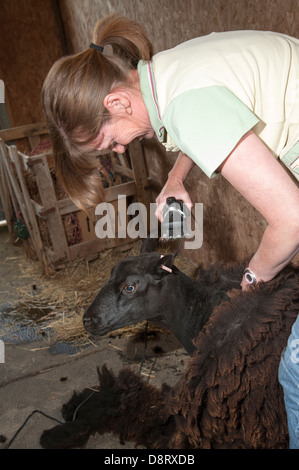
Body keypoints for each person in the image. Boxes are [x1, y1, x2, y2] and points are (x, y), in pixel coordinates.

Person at [42, 14, 299, 447]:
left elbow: (292, 218)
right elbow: (211, 116)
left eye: (110, 143)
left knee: (294, 364)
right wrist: (177, 176)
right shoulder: (166, 74)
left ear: (117, 104)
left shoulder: (186, 103)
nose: (121, 148)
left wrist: (251, 283)